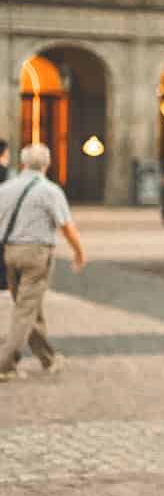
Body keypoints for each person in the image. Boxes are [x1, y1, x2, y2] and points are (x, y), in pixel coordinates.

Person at [0, 144, 87, 382]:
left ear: (23, 164)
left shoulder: (6, 188)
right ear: (47, 165)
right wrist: (79, 252)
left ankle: (48, 358)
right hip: (36, 254)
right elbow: (67, 226)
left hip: (9, 252)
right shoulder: (50, 191)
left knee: (28, 307)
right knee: (24, 310)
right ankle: (4, 364)